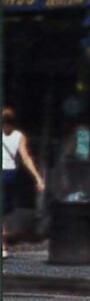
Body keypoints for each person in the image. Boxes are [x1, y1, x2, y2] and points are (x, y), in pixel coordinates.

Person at [2, 107, 47, 259]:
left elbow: (25, 158)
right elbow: (26, 158)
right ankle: (3, 244)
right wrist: (38, 177)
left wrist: (37, 178)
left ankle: (3, 244)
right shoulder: (19, 135)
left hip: (7, 174)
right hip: (10, 174)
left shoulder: (16, 136)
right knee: (4, 209)